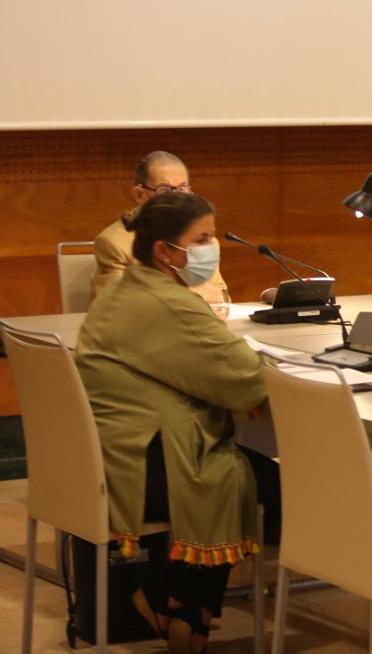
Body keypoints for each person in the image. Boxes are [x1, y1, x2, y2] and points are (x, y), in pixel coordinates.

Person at [75, 192, 280, 654]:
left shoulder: (129, 288)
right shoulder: (169, 303)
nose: (213, 248)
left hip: (102, 454)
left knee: (233, 471)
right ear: (165, 251)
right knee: (245, 478)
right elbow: (245, 381)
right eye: (202, 239)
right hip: (136, 464)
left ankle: (180, 612)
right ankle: (181, 610)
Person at [91, 150, 228, 303]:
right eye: (165, 190)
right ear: (140, 195)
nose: (177, 199)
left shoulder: (202, 239)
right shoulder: (114, 243)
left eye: (182, 189)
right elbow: (116, 304)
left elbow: (220, 297)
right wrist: (193, 293)